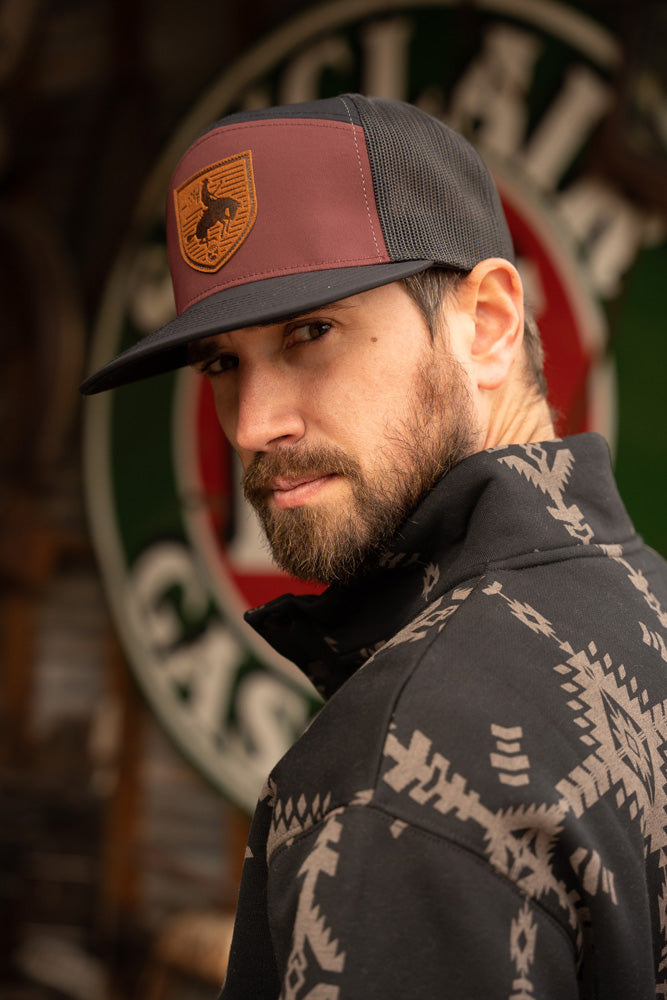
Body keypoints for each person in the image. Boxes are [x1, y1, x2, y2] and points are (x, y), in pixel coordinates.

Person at [81, 94, 667, 998]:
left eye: (310, 332)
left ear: (487, 324)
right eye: (222, 365)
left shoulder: (400, 768)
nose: (250, 426)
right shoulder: (646, 605)